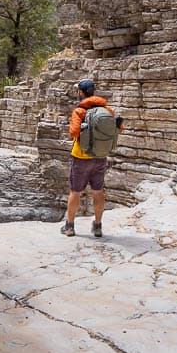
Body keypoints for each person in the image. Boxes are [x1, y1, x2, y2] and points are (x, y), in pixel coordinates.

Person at [62, 78, 123, 237]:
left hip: (81, 157)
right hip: (100, 157)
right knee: (98, 191)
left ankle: (69, 226)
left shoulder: (80, 111)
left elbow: (74, 132)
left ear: (81, 93)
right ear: (93, 92)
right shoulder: (107, 110)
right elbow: (119, 129)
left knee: (75, 191)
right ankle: (97, 226)